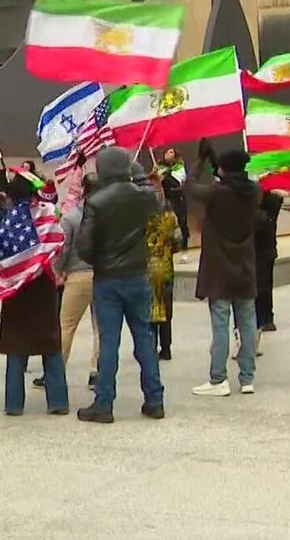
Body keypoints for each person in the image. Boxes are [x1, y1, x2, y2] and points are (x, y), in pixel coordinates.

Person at [74, 147, 164, 424]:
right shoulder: (144, 196)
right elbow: (157, 206)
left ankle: (104, 403)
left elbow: (85, 248)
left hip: (108, 279)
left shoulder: (97, 202)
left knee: (109, 341)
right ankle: (155, 400)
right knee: (144, 339)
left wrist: (101, 256)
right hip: (138, 274)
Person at [185, 141, 261, 398]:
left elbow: (189, 187)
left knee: (220, 325)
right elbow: (229, 178)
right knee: (247, 324)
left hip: (219, 268)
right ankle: (247, 377)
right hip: (245, 266)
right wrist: (217, 162)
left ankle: (218, 378)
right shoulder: (253, 192)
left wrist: (201, 161)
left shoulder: (217, 193)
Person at [0, 176, 69, 417]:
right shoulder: (47, 213)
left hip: (16, 288)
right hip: (43, 284)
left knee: (16, 345)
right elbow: (59, 241)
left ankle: (14, 403)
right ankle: (58, 401)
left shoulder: (7, 221)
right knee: (50, 343)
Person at [51, 172, 100, 388]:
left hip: (77, 274)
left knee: (66, 326)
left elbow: (64, 248)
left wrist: (58, 270)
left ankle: (56, 371)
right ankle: (96, 371)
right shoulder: (107, 215)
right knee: (101, 328)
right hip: (103, 274)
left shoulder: (70, 217)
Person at [145, 167, 179, 361]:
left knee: (149, 309)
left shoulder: (142, 219)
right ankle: (166, 348)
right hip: (166, 267)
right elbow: (177, 242)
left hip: (146, 268)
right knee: (166, 309)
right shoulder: (169, 217)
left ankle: (150, 346)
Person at [254, 189, 285, 333]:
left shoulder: (271, 200)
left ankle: (265, 318)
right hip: (262, 248)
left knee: (264, 284)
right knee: (263, 284)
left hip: (264, 247)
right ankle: (264, 317)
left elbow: (264, 219)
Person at [157, 148, 190, 251]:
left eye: (171, 152)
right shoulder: (160, 167)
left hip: (177, 197)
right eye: (166, 151)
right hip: (166, 199)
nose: (168, 153)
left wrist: (165, 176)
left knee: (182, 221)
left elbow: (177, 182)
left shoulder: (179, 167)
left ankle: (184, 245)